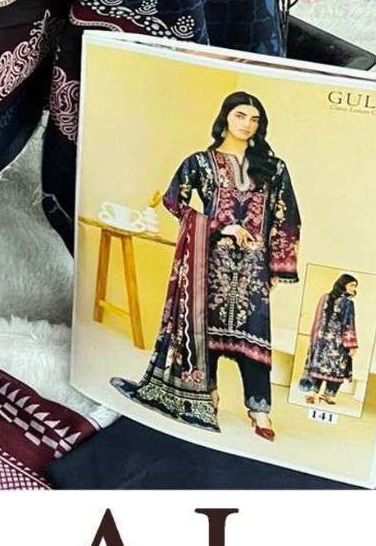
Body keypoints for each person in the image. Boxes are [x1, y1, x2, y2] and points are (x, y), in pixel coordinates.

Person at [113, 92, 301, 441]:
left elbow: (287, 217)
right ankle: (207, 394)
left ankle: (259, 409)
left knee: (256, 334)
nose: (247, 124)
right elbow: (174, 201)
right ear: (225, 117)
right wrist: (220, 227)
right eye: (240, 115)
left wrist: (277, 267)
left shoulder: (273, 168)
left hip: (254, 267)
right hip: (209, 261)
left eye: (255, 119)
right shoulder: (200, 163)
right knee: (205, 330)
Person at [299, 274, 359, 404]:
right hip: (329, 342)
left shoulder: (347, 302)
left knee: (332, 367)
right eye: (352, 285)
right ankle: (315, 393)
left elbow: (348, 324)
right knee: (326, 366)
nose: (354, 288)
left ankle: (326, 395)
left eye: (355, 286)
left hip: (333, 342)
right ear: (343, 284)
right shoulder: (329, 299)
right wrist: (351, 345)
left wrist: (351, 345)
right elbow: (320, 319)